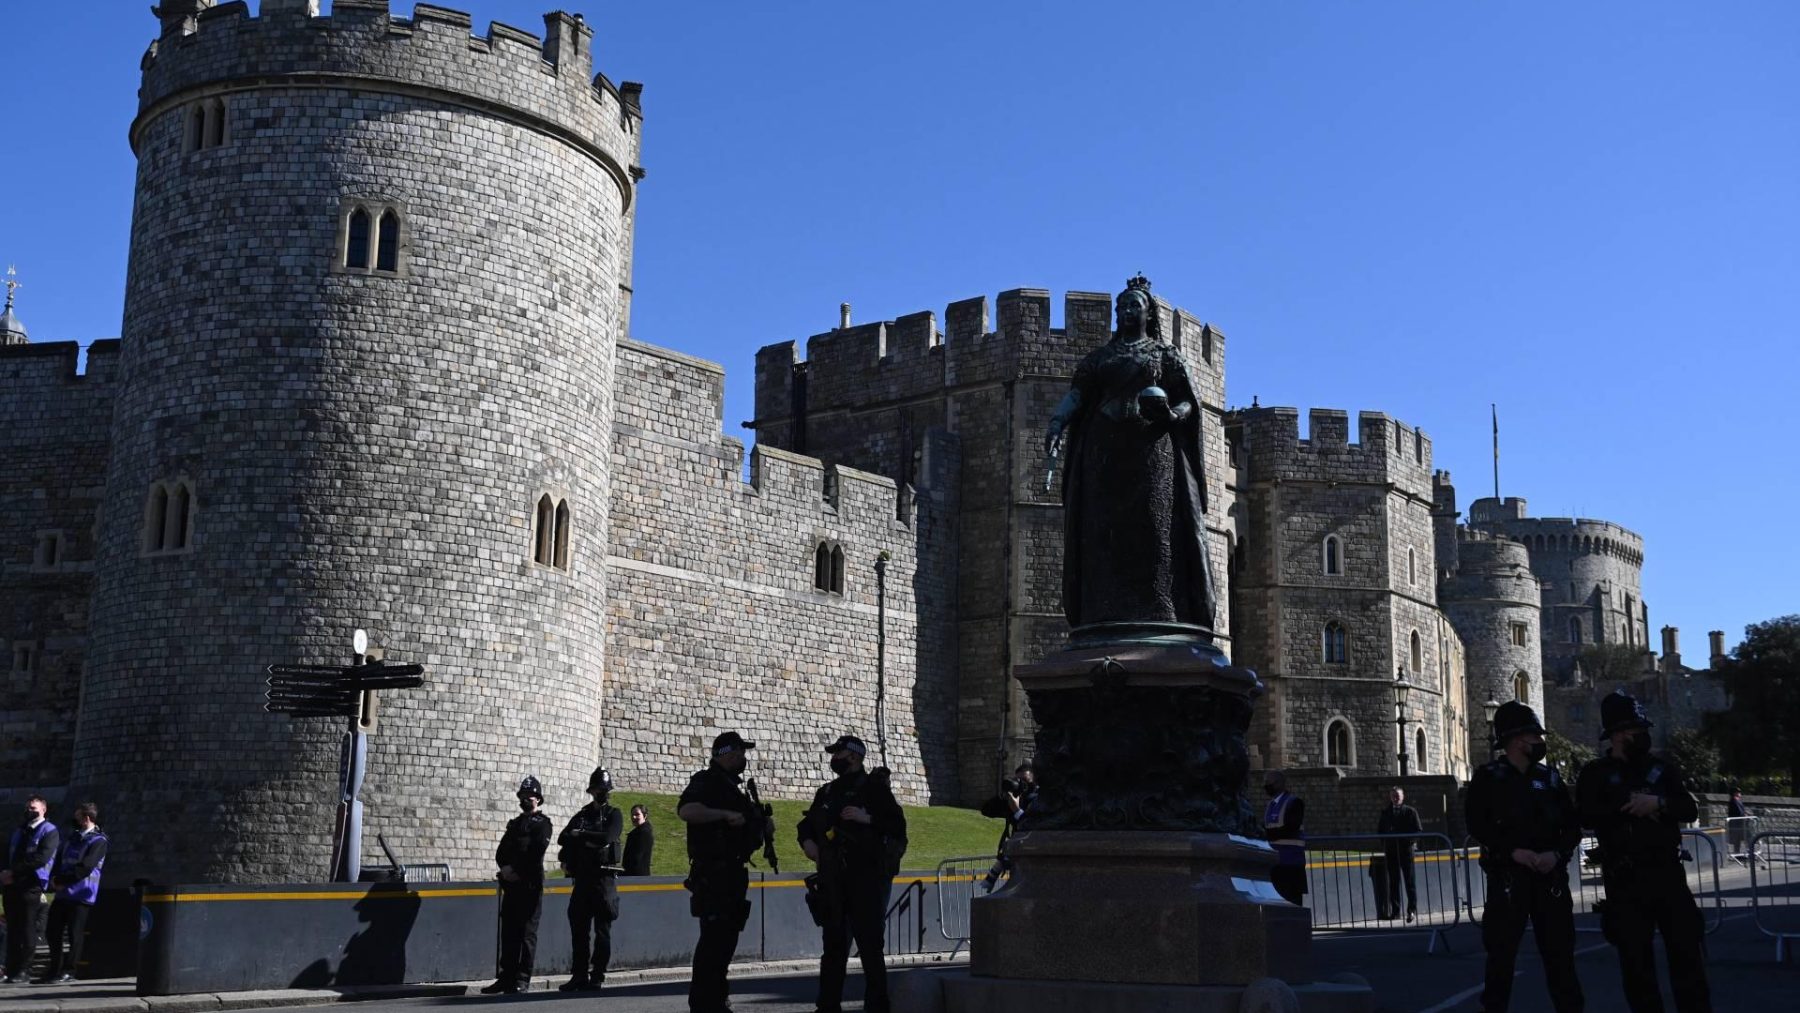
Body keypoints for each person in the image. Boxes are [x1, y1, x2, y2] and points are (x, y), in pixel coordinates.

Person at [1044, 273, 1217, 634]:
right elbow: (1077, 395)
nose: (1125, 311)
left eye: (1133, 305)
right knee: (1103, 530)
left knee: (1155, 530)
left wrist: (1171, 415)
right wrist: (1058, 422)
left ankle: (1162, 610)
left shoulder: (1164, 356)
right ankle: (1103, 611)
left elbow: (1189, 402)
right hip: (1103, 454)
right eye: (1121, 306)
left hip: (1153, 454)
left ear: (1147, 312)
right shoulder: (1100, 359)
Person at [1578, 690, 1714, 1013]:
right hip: (1625, 878)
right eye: (1636, 730)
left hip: (1667, 874)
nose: (1643, 736)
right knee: (1637, 967)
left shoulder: (1661, 769)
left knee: (1687, 959)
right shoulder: (1596, 773)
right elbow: (1584, 814)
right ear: (1618, 734)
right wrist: (1627, 807)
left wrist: (1658, 803)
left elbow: (1688, 808)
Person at [1465, 701, 1583, 1013]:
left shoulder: (1550, 779)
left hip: (1549, 879)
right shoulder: (1489, 778)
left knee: (1560, 958)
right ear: (1517, 739)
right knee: (1501, 958)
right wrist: (1511, 852)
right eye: (1534, 737)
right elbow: (1477, 824)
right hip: (1509, 880)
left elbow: (1571, 825)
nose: (1539, 743)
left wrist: (1557, 854)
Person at [798, 734, 906, 1013]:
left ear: (855, 757)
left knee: (870, 948)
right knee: (833, 949)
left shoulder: (874, 789)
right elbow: (806, 827)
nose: (834, 759)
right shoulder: (827, 792)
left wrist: (865, 818)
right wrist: (811, 847)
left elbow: (896, 827)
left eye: (839, 753)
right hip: (833, 881)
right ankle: (827, 1006)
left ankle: (877, 1006)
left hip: (865, 880)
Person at [678, 732, 763, 1013]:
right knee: (713, 943)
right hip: (713, 874)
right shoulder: (706, 781)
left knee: (725, 942)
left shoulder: (734, 787)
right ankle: (704, 1004)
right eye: (739, 752)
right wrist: (723, 815)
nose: (744, 757)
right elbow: (687, 810)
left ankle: (717, 999)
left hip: (733, 873)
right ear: (725, 753)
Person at [482, 776, 553, 994]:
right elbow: (502, 851)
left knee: (526, 934)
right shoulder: (515, 824)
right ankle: (506, 977)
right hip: (511, 886)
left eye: (529, 796)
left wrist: (517, 872)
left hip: (529, 885)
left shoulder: (543, 824)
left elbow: (536, 852)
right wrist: (505, 868)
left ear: (538, 799)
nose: (525, 799)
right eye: (523, 796)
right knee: (509, 933)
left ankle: (522, 979)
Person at [557, 767, 622, 993]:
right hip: (583, 879)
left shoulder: (614, 814)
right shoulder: (583, 814)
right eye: (597, 789)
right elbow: (562, 837)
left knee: (602, 932)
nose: (600, 793)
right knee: (579, 930)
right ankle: (579, 975)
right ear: (592, 790)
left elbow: (608, 837)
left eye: (603, 789)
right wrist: (585, 840)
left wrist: (581, 836)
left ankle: (597, 975)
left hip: (603, 880)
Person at [41, 803, 107, 983]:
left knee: (74, 935)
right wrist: (54, 879)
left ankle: (69, 971)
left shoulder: (98, 841)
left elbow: (86, 867)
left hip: (82, 894)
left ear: (86, 819)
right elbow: (60, 860)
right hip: (63, 894)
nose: (74, 820)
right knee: (52, 931)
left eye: (77, 817)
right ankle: (54, 969)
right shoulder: (72, 838)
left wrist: (61, 881)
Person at [2, 795, 59, 984]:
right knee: (13, 929)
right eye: (27, 807)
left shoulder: (49, 831)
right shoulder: (20, 830)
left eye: (34, 808)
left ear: (44, 809)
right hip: (12, 885)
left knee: (27, 929)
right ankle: (10, 971)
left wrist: (14, 872)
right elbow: (8, 853)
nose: (30, 811)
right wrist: (5, 872)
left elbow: (41, 858)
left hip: (31, 885)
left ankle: (25, 971)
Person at [1375, 786, 1423, 922]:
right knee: (1394, 883)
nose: (1395, 798)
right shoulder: (1385, 813)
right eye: (1393, 795)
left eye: (1397, 795)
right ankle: (1395, 912)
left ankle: (1411, 910)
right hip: (1391, 852)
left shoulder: (1410, 812)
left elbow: (1418, 830)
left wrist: (1409, 842)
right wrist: (1385, 844)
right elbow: (1380, 831)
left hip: (1406, 852)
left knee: (1410, 882)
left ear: (1403, 797)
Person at [1262, 771, 1306, 905]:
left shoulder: (1294, 802)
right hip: (1275, 863)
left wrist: (1265, 834)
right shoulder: (1271, 805)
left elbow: (1291, 827)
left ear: (1280, 783)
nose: (1266, 786)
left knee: (1292, 903)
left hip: (1291, 862)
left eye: (1269, 783)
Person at [623, 805, 655, 877]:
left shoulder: (644, 833)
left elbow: (637, 858)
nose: (634, 817)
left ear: (645, 816)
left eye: (637, 814)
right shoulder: (640, 831)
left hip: (636, 876)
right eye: (632, 815)